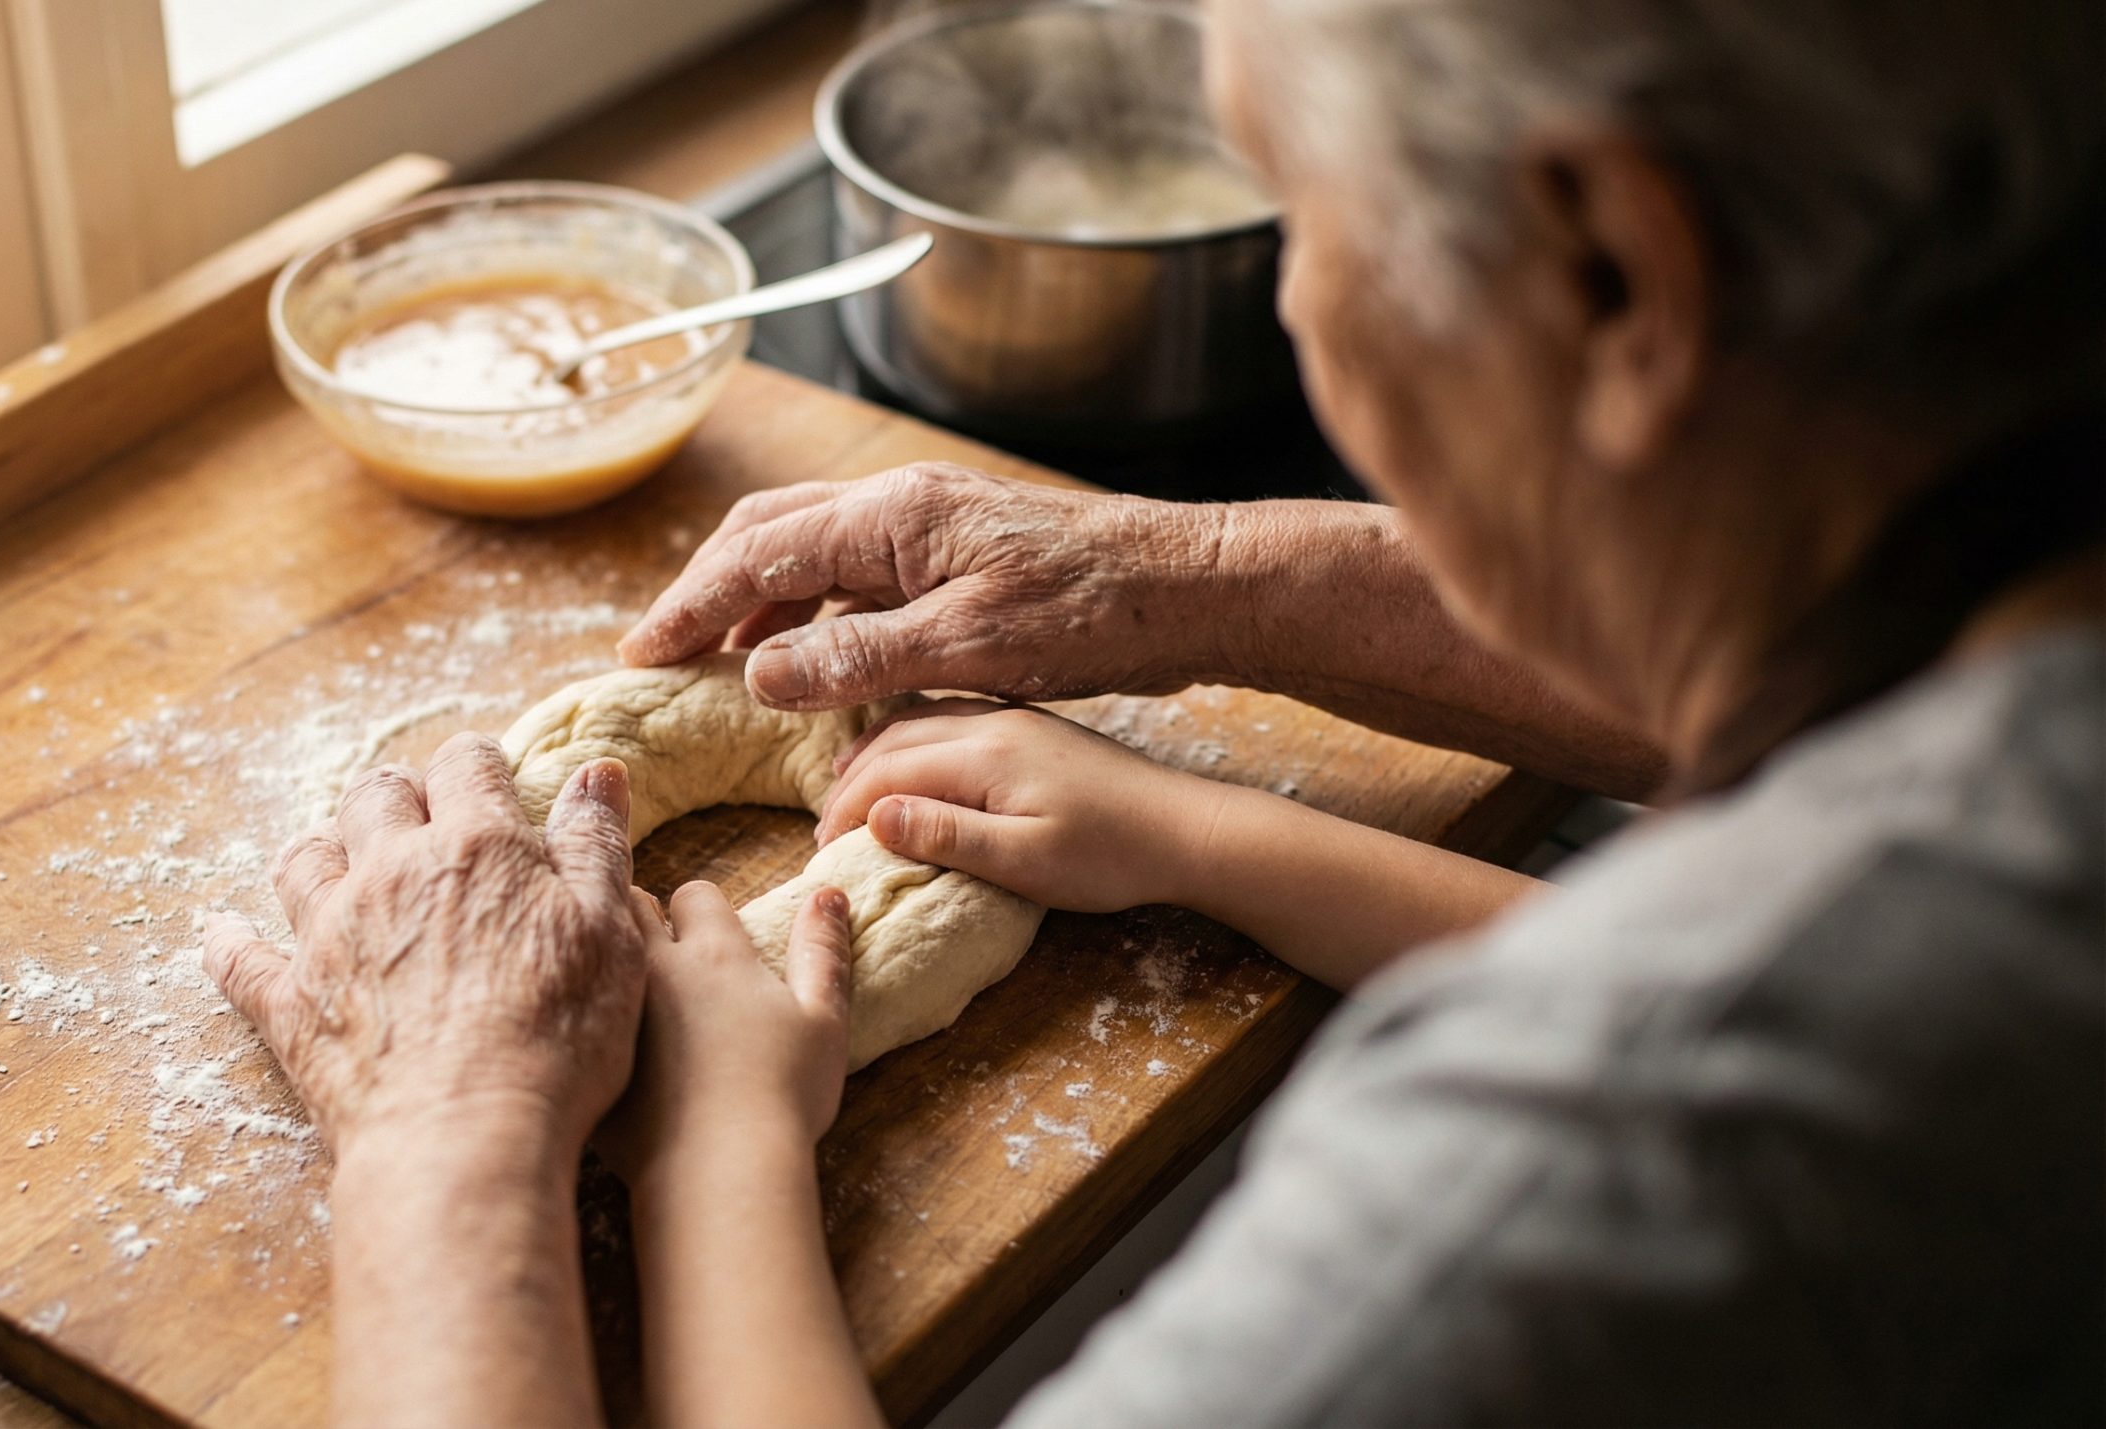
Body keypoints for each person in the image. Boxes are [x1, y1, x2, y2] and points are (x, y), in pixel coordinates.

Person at [201, 0, 2105, 1422]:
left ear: (1619, 274)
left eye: (1297, 214)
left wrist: (462, 1139)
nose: (1299, 312)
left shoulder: (1613, 1146)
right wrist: (1191, 601)